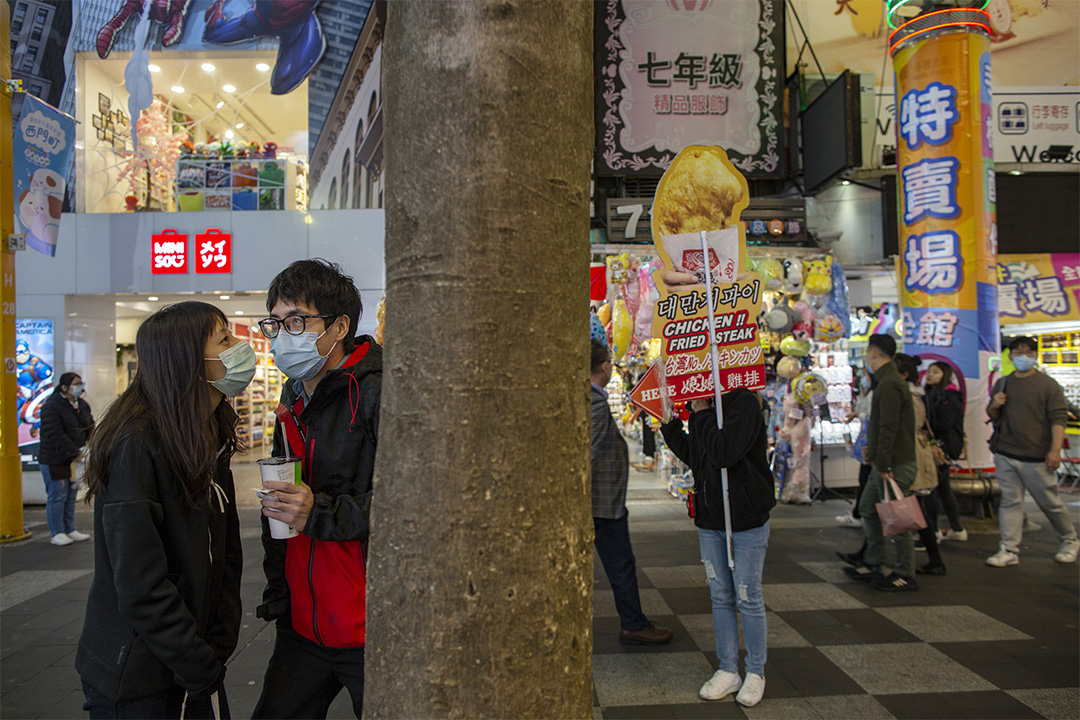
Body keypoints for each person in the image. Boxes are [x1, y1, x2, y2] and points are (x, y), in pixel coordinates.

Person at [76, 302, 249, 718]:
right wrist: (198, 662)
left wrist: (218, 641)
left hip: (189, 661)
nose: (239, 348)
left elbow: (223, 554)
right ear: (187, 358)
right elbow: (140, 585)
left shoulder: (208, 434)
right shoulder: (137, 444)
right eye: (224, 340)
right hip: (138, 673)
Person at [253, 259, 382, 719]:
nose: (283, 335)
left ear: (339, 325)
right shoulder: (292, 396)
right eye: (276, 322)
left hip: (374, 629)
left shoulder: (377, 392)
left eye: (296, 321)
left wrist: (320, 513)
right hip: (303, 625)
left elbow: (414, 506)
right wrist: (279, 596)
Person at [661, 389, 775, 708]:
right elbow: (699, 455)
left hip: (747, 518)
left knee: (748, 595)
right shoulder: (703, 402)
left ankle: (755, 671)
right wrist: (669, 424)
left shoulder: (743, 401)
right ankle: (728, 669)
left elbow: (725, 452)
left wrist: (702, 411)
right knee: (720, 595)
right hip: (711, 518)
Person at [590, 340, 673, 646]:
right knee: (620, 564)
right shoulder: (594, 402)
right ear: (603, 366)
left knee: (620, 563)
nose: (612, 365)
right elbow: (591, 452)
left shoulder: (591, 398)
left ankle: (634, 621)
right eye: (609, 361)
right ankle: (634, 624)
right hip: (602, 502)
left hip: (603, 500)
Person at [985, 336, 1079, 566]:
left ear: (1036, 356)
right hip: (1006, 452)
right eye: (1018, 352)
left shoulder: (1048, 385)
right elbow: (992, 414)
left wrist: (1055, 450)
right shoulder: (1003, 383)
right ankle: (1008, 549)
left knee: (1050, 503)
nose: (1023, 356)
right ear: (1010, 355)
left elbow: (1058, 419)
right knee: (1010, 502)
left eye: (1028, 352)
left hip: (1037, 455)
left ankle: (1069, 539)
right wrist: (995, 404)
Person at [843, 334, 919, 591]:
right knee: (868, 508)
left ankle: (905, 573)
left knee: (898, 520)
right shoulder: (886, 381)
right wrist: (873, 452)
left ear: (873, 353)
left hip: (894, 465)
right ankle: (874, 561)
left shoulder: (889, 383)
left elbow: (889, 427)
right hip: (884, 462)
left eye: (867, 352)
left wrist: (883, 462)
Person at [894, 354, 946, 576]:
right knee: (913, 508)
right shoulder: (911, 394)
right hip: (911, 454)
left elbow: (911, 426)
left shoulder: (911, 397)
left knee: (912, 509)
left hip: (911, 456)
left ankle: (927, 561)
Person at [37, 372, 95, 546]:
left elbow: (90, 426)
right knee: (57, 494)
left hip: (75, 458)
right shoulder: (52, 406)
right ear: (64, 387)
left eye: (81, 383)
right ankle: (57, 532)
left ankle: (69, 528)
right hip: (54, 458)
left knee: (70, 494)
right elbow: (55, 434)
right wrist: (74, 453)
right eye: (76, 383)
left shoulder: (81, 404)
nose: (80, 386)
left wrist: (91, 445)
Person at [923, 361, 968, 541]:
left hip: (943, 447)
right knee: (943, 488)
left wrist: (926, 430)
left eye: (936, 372)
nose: (930, 374)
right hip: (943, 446)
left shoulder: (948, 397)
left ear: (945, 375)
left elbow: (945, 423)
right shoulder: (934, 395)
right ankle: (957, 529)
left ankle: (932, 532)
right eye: (929, 371)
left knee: (930, 487)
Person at [835, 367, 873, 529]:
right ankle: (860, 515)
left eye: (865, 375)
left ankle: (860, 515)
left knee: (866, 481)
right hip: (868, 444)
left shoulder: (876, 395)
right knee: (865, 480)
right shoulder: (867, 394)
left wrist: (858, 415)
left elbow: (873, 417)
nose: (862, 378)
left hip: (871, 446)